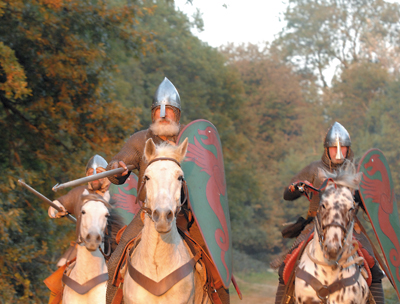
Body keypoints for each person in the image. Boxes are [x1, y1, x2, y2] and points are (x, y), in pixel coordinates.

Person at [105, 77, 230, 304]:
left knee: (215, 268)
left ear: (177, 114)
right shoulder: (139, 141)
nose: (163, 116)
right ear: (153, 114)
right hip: (147, 215)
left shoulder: (192, 142)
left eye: (169, 111)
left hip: (187, 217)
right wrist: (116, 168)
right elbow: (117, 166)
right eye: (159, 111)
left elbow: (208, 180)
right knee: (115, 261)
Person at [274, 122, 385, 304]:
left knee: (373, 266)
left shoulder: (355, 171)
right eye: (334, 148)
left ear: (349, 149)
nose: (339, 152)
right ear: (327, 149)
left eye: (343, 148)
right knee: (286, 265)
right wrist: (298, 188)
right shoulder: (313, 169)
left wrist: (363, 196)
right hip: (315, 225)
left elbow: (370, 206)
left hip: (350, 226)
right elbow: (288, 194)